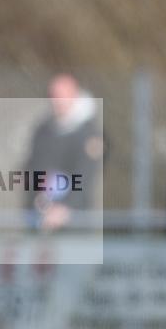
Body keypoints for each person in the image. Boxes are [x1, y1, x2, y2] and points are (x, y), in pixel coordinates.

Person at [23, 74, 104, 232]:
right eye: (53, 96)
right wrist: (39, 199)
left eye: (61, 95)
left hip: (74, 222)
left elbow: (85, 175)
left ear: (74, 96)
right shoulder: (42, 129)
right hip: (39, 216)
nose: (56, 100)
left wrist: (65, 207)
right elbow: (32, 166)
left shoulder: (89, 134)